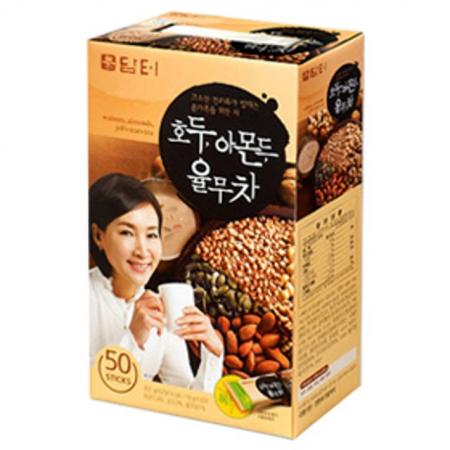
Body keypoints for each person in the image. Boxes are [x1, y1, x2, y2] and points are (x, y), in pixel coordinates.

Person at [89, 173, 223, 392]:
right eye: (127, 233)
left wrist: (213, 353)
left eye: (152, 235)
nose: (143, 251)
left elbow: (184, 397)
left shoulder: (160, 307)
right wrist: (133, 338)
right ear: (98, 236)